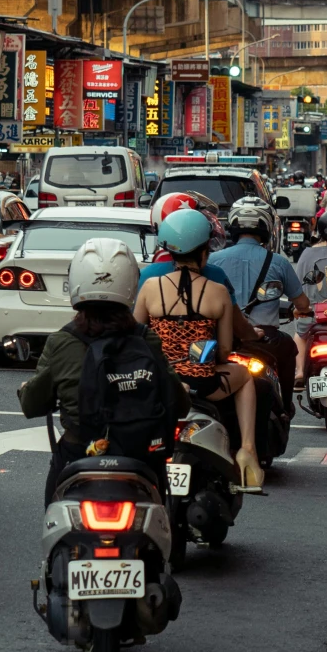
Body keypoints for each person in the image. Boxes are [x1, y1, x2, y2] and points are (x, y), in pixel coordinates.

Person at [18, 238, 172, 503]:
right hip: (139, 453)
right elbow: (175, 403)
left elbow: (32, 405)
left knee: (55, 522)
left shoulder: (61, 341)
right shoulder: (146, 339)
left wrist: (26, 391)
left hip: (80, 451)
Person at [134, 206, 264, 492]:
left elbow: (135, 339)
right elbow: (224, 351)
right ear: (205, 249)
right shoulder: (217, 291)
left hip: (160, 382)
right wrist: (197, 356)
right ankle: (248, 449)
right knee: (244, 376)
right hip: (203, 384)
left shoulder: (150, 287)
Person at [207, 197, 311, 391]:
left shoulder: (213, 260)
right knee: (289, 347)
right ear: (267, 227)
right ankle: (285, 408)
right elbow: (302, 303)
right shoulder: (278, 262)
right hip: (266, 339)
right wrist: (302, 310)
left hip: (224, 337)